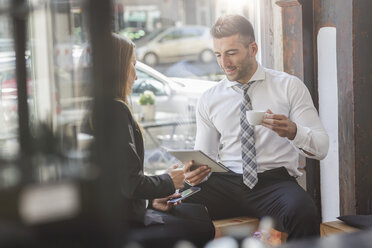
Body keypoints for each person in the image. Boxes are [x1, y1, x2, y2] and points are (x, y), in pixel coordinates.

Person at [183, 15, 329, 241]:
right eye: (218, 55)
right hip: (227, 182)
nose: (225, 63)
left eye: (232, 53)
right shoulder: (209, 99)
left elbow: (321, 148)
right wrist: (194, 173)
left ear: (253, 48)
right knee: (174, 202)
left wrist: (293, 132)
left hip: (274, 183)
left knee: (304, 212)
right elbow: (205, 157)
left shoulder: (289, 87)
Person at [86, 33, 215, 248]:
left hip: (117, 214)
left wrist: (151, 200)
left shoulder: (98, 109)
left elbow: (121, 181)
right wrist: (169, 180)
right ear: (118, 69)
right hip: (123, 223)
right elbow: (131, 184)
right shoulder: (116, 111)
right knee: (202, 221)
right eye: (133, 65)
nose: (136, 76)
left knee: (196, 211)